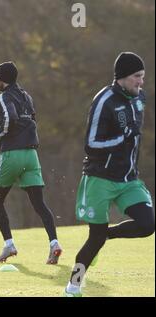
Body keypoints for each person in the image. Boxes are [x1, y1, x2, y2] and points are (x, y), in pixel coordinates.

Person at [65, 52, 154, 297]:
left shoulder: (139, 99)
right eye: (137, 76)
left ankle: (107, 234)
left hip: (128, 179)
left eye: (143, 76)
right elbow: (91, 144)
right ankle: (73, 285)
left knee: (148, 225)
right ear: (123, 77)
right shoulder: (104, 100)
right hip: (100, 178)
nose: (141, 82)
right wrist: (122, 138)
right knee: (95, 239)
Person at [0, 61, 62, 265]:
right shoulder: (27, 96)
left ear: (1, 79)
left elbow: (11, 118)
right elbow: (29, 119)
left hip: (12, 154)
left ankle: (9, 244)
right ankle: (54, 243)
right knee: (39, 203)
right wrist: (2, 117)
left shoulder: (4, 95)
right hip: (31, 154)